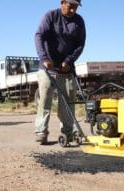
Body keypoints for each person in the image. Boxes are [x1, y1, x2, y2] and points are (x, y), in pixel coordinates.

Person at [34, 0, 86, 144]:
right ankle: (41, 132)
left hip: (67, 69)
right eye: (70, 7)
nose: (72, 11)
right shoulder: (51, 16)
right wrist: (44, 58)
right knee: (45, 100)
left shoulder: (79, 21)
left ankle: (67, 133)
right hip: (47, 68)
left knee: (68, 103)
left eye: (75, 8)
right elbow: (39, 36)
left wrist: (68, 60)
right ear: (62, 2)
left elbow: (80, 45)